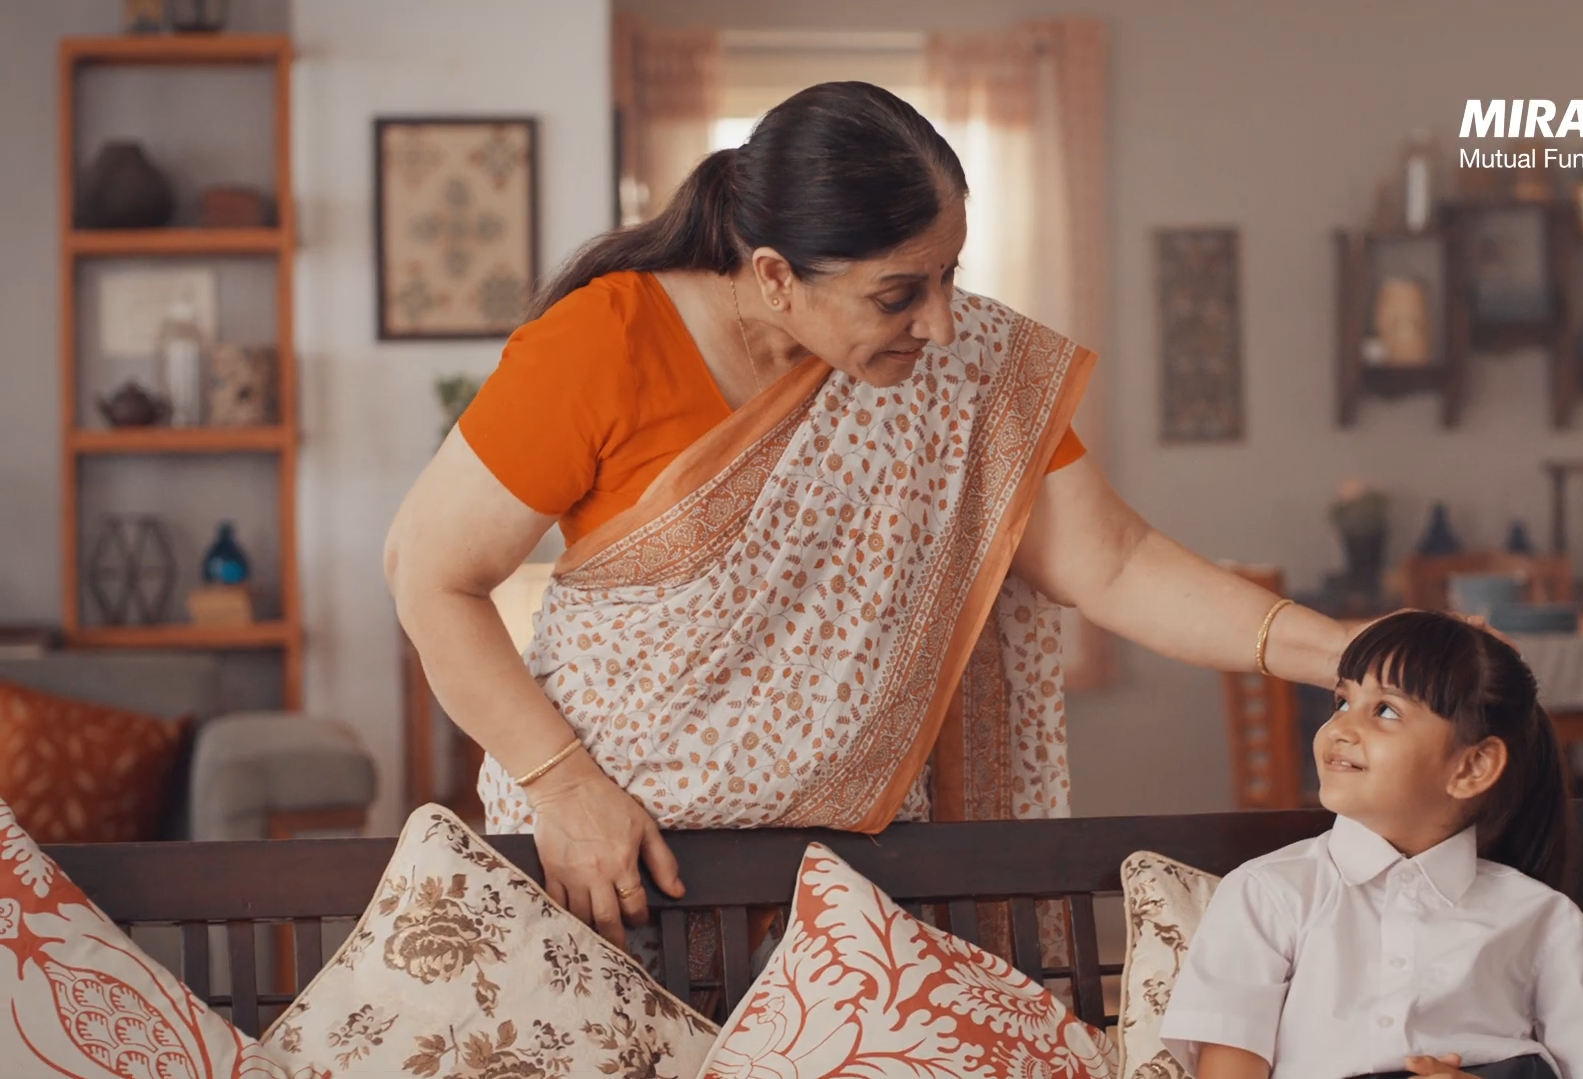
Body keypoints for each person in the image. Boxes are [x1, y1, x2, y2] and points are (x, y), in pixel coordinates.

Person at [383, 80, 1356, 948]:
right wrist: (564, 786)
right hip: (612, 864)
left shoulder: (963, 366)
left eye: (949, 277)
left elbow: (1116, 560)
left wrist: (1348, 653)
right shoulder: (604, 342)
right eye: (897, 294)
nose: (938, 322)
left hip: (856, 885)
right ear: (775, 275)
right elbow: (427, 575)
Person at [1158, 611, 1583, 1079]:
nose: (1341, 728)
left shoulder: (1542, 920)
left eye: (1385, 711)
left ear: (1472, 766)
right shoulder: (1268, 894)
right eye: (1342, 701)